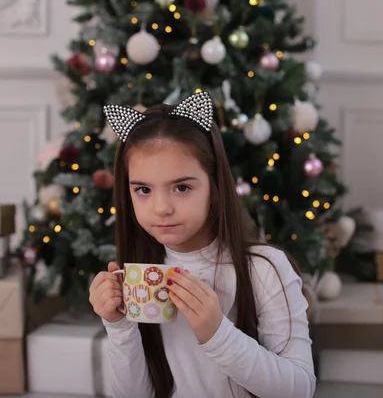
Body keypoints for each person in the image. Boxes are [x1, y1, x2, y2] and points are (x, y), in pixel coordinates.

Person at [89, 91, 316, 398]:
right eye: (143, 189)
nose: (161, 208)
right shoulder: (142, 276)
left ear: (215, 185)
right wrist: (118, 326)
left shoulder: (265, 269)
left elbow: (299, 389)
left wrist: (217, 334)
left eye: (181, 187)